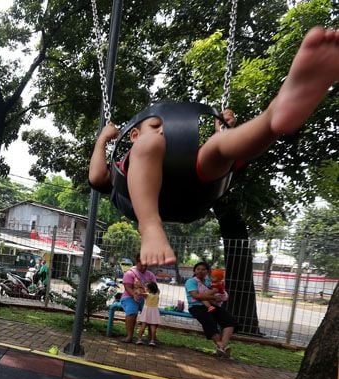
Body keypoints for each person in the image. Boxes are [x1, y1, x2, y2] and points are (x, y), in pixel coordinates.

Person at [89, 27, 339, 266]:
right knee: (150, 144)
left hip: (194, 193)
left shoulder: (185, 156)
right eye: (156, 125)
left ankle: (272, 119)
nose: (166, 131)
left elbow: (232, 160)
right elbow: (97, 177)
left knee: (218, 146)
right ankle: (150, 225)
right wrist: (103, 138)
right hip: (139, 203)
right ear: (132, 134)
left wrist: (225, 131)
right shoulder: (129, 161)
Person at [186, 261, 238, 359]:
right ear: (194, 270)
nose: (200, 271)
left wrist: (218, 296)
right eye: (198, 269)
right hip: (196, 306)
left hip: (212, 305)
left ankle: (221, 347)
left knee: (230, 321)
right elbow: (195, 295)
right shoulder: (191, 281)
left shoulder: (209, 282)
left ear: (207, 271)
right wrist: (213, 298)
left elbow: (220, 293)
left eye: (203, 269)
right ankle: (222, 347)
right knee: (209, 321)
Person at [119, 255, 157, 343]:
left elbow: (155, 289)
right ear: (137, 262)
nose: (144, 267)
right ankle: (129, 336)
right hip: (129, 297)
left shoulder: (150, 275)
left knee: (152, 312)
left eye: (146, 265)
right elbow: (127, 287)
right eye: (142, 265)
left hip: (145, 298)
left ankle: (152, 337)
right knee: (132, 312)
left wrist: (153, 295)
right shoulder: (130, 273)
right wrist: (134, 295)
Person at [136, 281, 161, 346]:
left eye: (146, 288)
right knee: (153, 327)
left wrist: (139, 287)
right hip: (154, 312)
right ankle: (152, 341)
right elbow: (157, 290)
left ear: (148, 289)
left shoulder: (147, 295)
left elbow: (139, 293)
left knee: (143, 326)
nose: (145, 288)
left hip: (147, 312)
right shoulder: (157, 294)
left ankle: (139, 339)